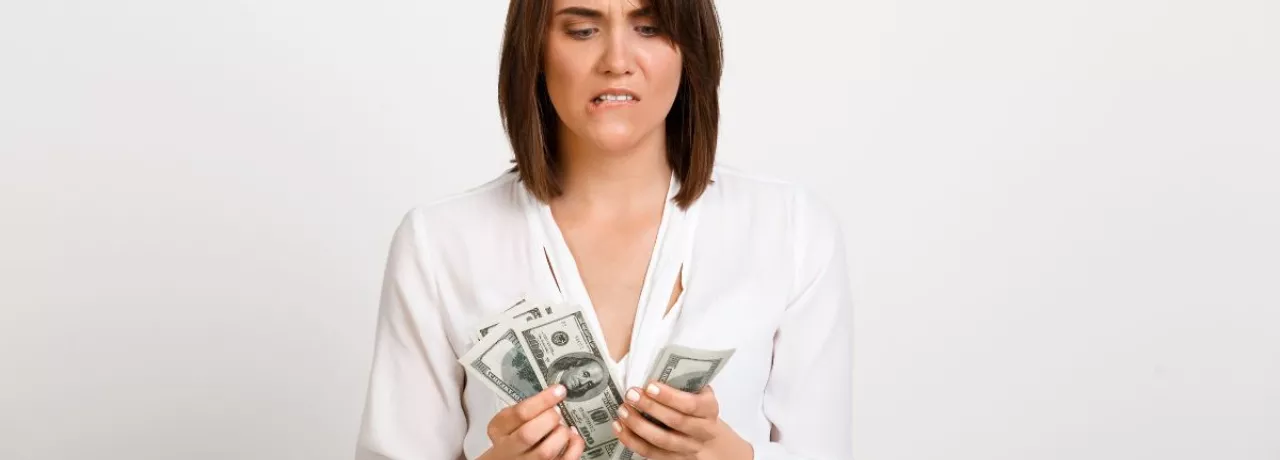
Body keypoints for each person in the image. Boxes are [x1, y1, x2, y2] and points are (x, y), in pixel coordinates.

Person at [354, 0, 853, 459]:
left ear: (691, 48)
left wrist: (737, 458)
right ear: (536, 50)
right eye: (582, 30)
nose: (617, 60)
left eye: (649, 28)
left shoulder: (791, 230)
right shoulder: (439, 242)